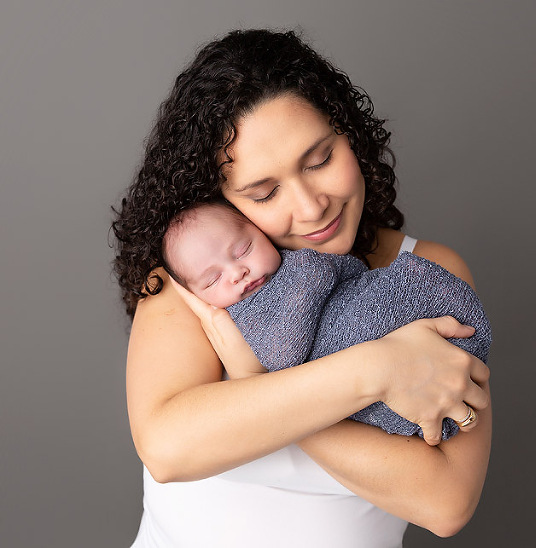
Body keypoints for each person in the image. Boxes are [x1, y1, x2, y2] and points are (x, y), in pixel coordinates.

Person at [112, 29, 492, 547]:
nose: (312, 207)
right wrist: (376, 370)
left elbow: (446, 502)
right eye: (264, 192)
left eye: (319, 161)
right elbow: (167, 447)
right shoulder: (206, 278)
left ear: (348, 134)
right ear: (220, 200)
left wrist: (255, 378)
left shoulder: (425, 273)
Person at [160, 201, 492, 439]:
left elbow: (284, 353)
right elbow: (165, 453)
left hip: (407, 315)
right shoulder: (189, 312)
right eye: (212, 280)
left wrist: (254, 376)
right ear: (193, 294)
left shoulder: (301, 269)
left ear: (259, 231)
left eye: (243, 249)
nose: (237, 273)